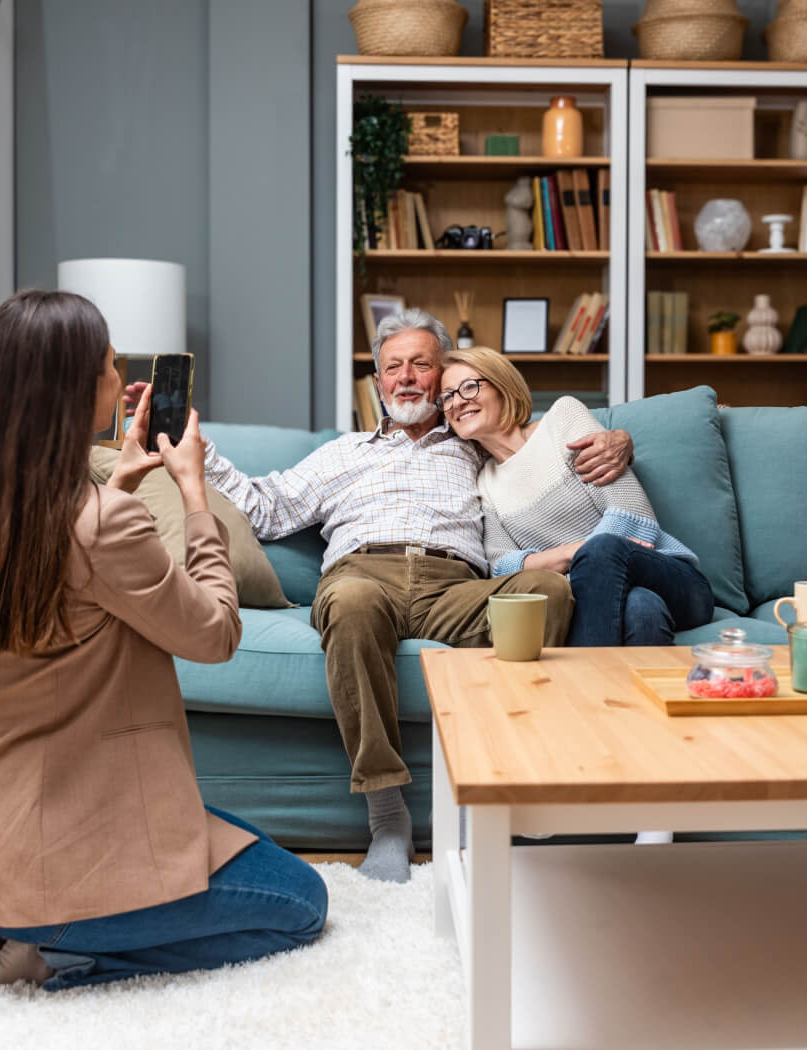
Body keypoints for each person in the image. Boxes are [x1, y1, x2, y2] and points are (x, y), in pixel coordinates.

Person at [0, 290, 327, 995]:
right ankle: (58, 955)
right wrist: (195, 497)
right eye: (110, 364)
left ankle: (11, 922)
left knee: (230, 838)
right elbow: (217, 633)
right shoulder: (102, 525)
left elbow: (73, 573)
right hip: (65, 858)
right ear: (79, 388)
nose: (120, 375)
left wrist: (126, 476)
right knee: (300, 903)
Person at [128, 309, 635, 883]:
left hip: (458, 585)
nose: (407, 377)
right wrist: (193, 442)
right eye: (393, 367)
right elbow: (265, 509)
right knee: (350, 603)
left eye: (422, 364)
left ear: (444, 377)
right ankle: (387, 816)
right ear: (378, 383)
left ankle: (498, 795)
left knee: (545, 590)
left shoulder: (473, 440)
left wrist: (618, 440)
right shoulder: (346, 453)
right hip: (364, 575)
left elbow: (541, 444)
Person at [439, 346, 714, 648]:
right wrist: (578, 554)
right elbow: (503, 567)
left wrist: (575, 557)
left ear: (502, 385)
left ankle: (576, 686)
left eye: (469, 386)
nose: (458, 402)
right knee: (641, 609)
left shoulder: (562, 420)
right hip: (602, 597)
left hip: (673, 580)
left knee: (604, 549)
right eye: (448, 396)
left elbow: (632, 513)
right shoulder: (485, 481)